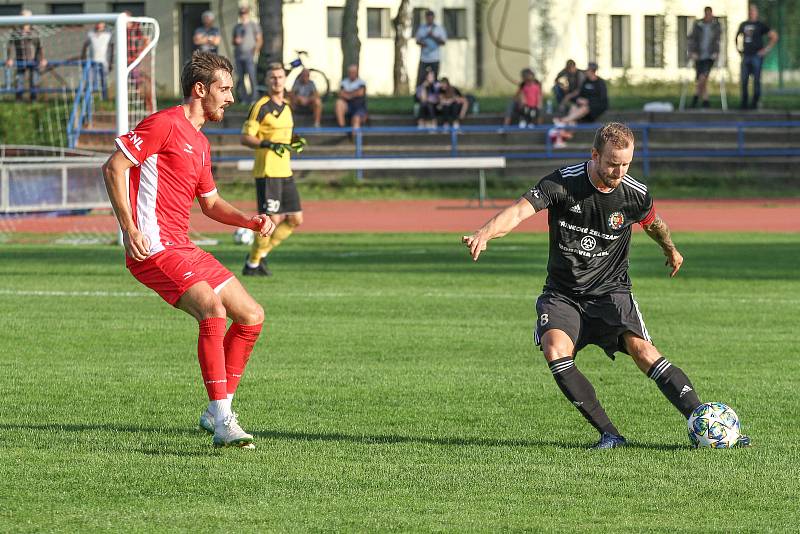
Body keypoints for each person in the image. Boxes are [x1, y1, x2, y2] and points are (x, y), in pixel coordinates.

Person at [462, 122, 751, 450]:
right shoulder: (561, 183)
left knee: (644, 351)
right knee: (555, 350)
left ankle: (704, 419)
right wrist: (484, 233)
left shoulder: (634, 194)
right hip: (563, 293)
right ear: (595, 154)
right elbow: (517, 213)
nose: (619, 171)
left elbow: (655, 225)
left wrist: (670, 248)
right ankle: (610, 434)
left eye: (626, 163)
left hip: (611, 291)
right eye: (613, 163)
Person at [101, 51, 275, 449]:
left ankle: (217, 409)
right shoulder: (163, 124)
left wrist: (249, 220)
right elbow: (113, 168)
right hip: (154, 247)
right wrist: (130, 229)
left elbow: (210, 205)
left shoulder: (199, 142)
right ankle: (223, 419)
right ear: (201, 89)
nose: (230, 98)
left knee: (251, 315)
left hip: (182, 245)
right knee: (212, 309)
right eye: (224, 89)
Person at [240, 63, 306, 277]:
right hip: (267, 171)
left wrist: (294, 141)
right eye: (272, 77)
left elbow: (284, 137)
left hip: (285, 171)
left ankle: (259, 256)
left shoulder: (287, 106)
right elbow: (246, 138)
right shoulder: (261, 106)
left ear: (285, 80)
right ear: (267, 81)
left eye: (280, 77)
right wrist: (268, 144)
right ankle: (252, 265)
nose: (277, 81)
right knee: (272, 220)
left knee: (295, 219)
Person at [550, 63, 607, 148]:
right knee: (573, 110)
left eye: (587, 70)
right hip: (582, 109)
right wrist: (578, 99)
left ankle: (562, 121)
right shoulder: (586, 82)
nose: (586, 71)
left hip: (594, 109)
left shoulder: (600, 83)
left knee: (584, 108)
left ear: (592, 71)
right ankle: (564, 137)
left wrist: (588, 101)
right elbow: (580, 94)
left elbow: (602, 99)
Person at [736, 4, 778, 110]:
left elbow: (774, 36)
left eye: (753, 11)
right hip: (746, 55)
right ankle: (744, 103)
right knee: (744, 79)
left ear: (757, 13)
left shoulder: (760, 25)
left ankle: (755, 102)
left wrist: (766, 50)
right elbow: (736, 37)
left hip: (756, 56)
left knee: (756, 80)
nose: (751, 13)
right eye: (750, 11)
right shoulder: (743, 24)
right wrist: (739, 50)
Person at [5, 9, 47, 102]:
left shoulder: (34, 32)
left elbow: (40, 47)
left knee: (34, 81)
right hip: (20, 60)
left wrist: (42, 59)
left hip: (33, 60)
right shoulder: (16, 32)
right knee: (19, 81)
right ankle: (18, 101)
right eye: (23, 17)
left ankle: (34, 101)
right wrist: (9, 59)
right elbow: (10, 46)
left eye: (27, 18)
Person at [688, 7, 721, 109]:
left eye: (709, 14)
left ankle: (696, 97)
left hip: (709, 56)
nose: (708, 16)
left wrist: (716, 52)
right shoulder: (698, 25)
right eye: (706, 14)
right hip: (699, 55)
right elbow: (692, 38)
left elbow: (718, 39)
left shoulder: (716, 25)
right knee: (701, 79)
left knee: (703, 77)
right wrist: (692, 52)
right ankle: (706, 100)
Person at [232, 5, 262, 104]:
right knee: (241, 78)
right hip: (239, 55)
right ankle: (244, 99)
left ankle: (254, 99)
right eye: (241, 13)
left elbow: (259, 39)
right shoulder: (237, 27)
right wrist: (236, 41)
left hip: (250, 55)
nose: (243, 15)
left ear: (248, 14)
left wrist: (256, 51)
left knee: (252, 77)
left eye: (244, 13)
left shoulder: (253, 25)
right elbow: (233, 41)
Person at [414, 9, 447, 87]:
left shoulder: (439, 29)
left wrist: (433, 36)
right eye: (428, 18)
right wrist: (423, 40)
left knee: (434, 78)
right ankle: (419, 94)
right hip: (424, 58)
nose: (429, 19)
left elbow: (443, 42)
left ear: (433, 18)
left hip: (435, 58)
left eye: (431, 18)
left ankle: (434, 95)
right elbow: (417, 41)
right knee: (421, 77)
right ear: (426, 18)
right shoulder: (422, 28)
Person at [82, 22, 113, 100]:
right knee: (92, 81)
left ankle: (104, 98)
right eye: (97, 24)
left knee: (104, 81)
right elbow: (85, 45)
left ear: (104, 26)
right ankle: (90, 99)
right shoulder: (90, 34)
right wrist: (83, 57)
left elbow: (112, 48)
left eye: (101, 25)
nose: (99, 27)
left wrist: (111, 62)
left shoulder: (107, 35)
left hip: (103, 62)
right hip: (92, 62)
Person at [335, 64, 368, 130]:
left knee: (356, 120)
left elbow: (360, 93)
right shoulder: (344, 82)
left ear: (357, 73)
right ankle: (342, 128)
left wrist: (348, 94)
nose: (352, 74)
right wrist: (354, 93)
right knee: (339, 103)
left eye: (354, 72)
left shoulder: (361, 82)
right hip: (347, 105)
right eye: (350, 72)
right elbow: (341, 94)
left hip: (359, 107)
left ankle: (355, 139)